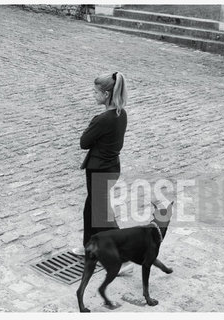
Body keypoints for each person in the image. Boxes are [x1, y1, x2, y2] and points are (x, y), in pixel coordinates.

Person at [73, 72, 133, 273]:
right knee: (91, 208)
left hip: (99, 171)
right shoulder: (120, 113)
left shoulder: (103, 119)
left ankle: (123, 259)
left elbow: (84, 143)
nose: (93, 95)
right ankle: (90, 247)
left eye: (96, 92)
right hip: (110, 168)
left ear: (106, 94)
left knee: (102, 215)